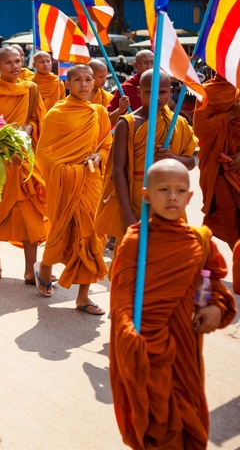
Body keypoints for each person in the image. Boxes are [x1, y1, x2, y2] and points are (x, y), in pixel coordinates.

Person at [108, 159, 237, 450]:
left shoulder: (198, 241)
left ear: (190, 197)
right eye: (163, 189)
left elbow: (213, 282)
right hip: (146, 347)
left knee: (187, 417)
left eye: (179, 191)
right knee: (159, 425)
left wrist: (215, 307)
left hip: (183, 346)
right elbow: (122, 298)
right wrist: (129, 339)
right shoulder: (136, 241)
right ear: (146, 195)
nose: (172, 197)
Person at [34, 63, 112, 313]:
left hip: (90, 182)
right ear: (68, 84)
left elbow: (106, 145)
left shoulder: (99, 112)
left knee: (90, 236)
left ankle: (83, 296)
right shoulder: (57, 113)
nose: (84, 84)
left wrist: (99, 156)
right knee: (61, 232)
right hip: (66, 184)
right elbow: (43, 153)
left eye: (88, 79)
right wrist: (70, 170)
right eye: (78, 80)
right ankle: (45, 266)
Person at [96, 70, 197, 246]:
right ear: (138, 92)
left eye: (162, 92)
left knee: (169, 252)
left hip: (170, 198)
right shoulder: (127, 123)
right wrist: (126, 213)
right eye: (149, 92)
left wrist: (173, 158)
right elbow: (117, 170)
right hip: (137, 197)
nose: (156, 97)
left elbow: (190, 163)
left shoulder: (178, 123)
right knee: (135, 253)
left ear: (170, 91)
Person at [0, 46, 48, 283]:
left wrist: (29, 128)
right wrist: (4, 147)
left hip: (24, 161)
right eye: (8, 63)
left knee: (29, 212)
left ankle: (30, 268)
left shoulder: (30, 89)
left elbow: (38, 118)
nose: (15, 66)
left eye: (18, 61)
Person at [192, 74, 240, 248]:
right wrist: (229, 116)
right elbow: (199, 128)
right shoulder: (206, 91)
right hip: (218, 168)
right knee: (230, 221)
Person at [107, 50, 153, 119]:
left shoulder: (161, 85)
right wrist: (120, 110)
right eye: (145, 63)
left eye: (152, 63)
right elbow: (108, 119)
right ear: (135, 65)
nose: (149, 66)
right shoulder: (125, 89)